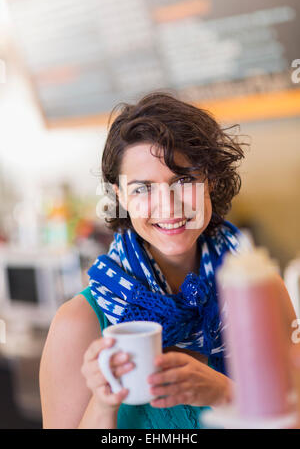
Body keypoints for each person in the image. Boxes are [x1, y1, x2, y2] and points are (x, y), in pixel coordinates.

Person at [39, 92, 296, 429]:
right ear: (120, 196)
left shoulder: (261, 289)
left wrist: (224, 394)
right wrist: (103, 403)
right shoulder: (80, 322)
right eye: (142, 188)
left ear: (211, 181)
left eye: (184, 180)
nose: (168, 206)